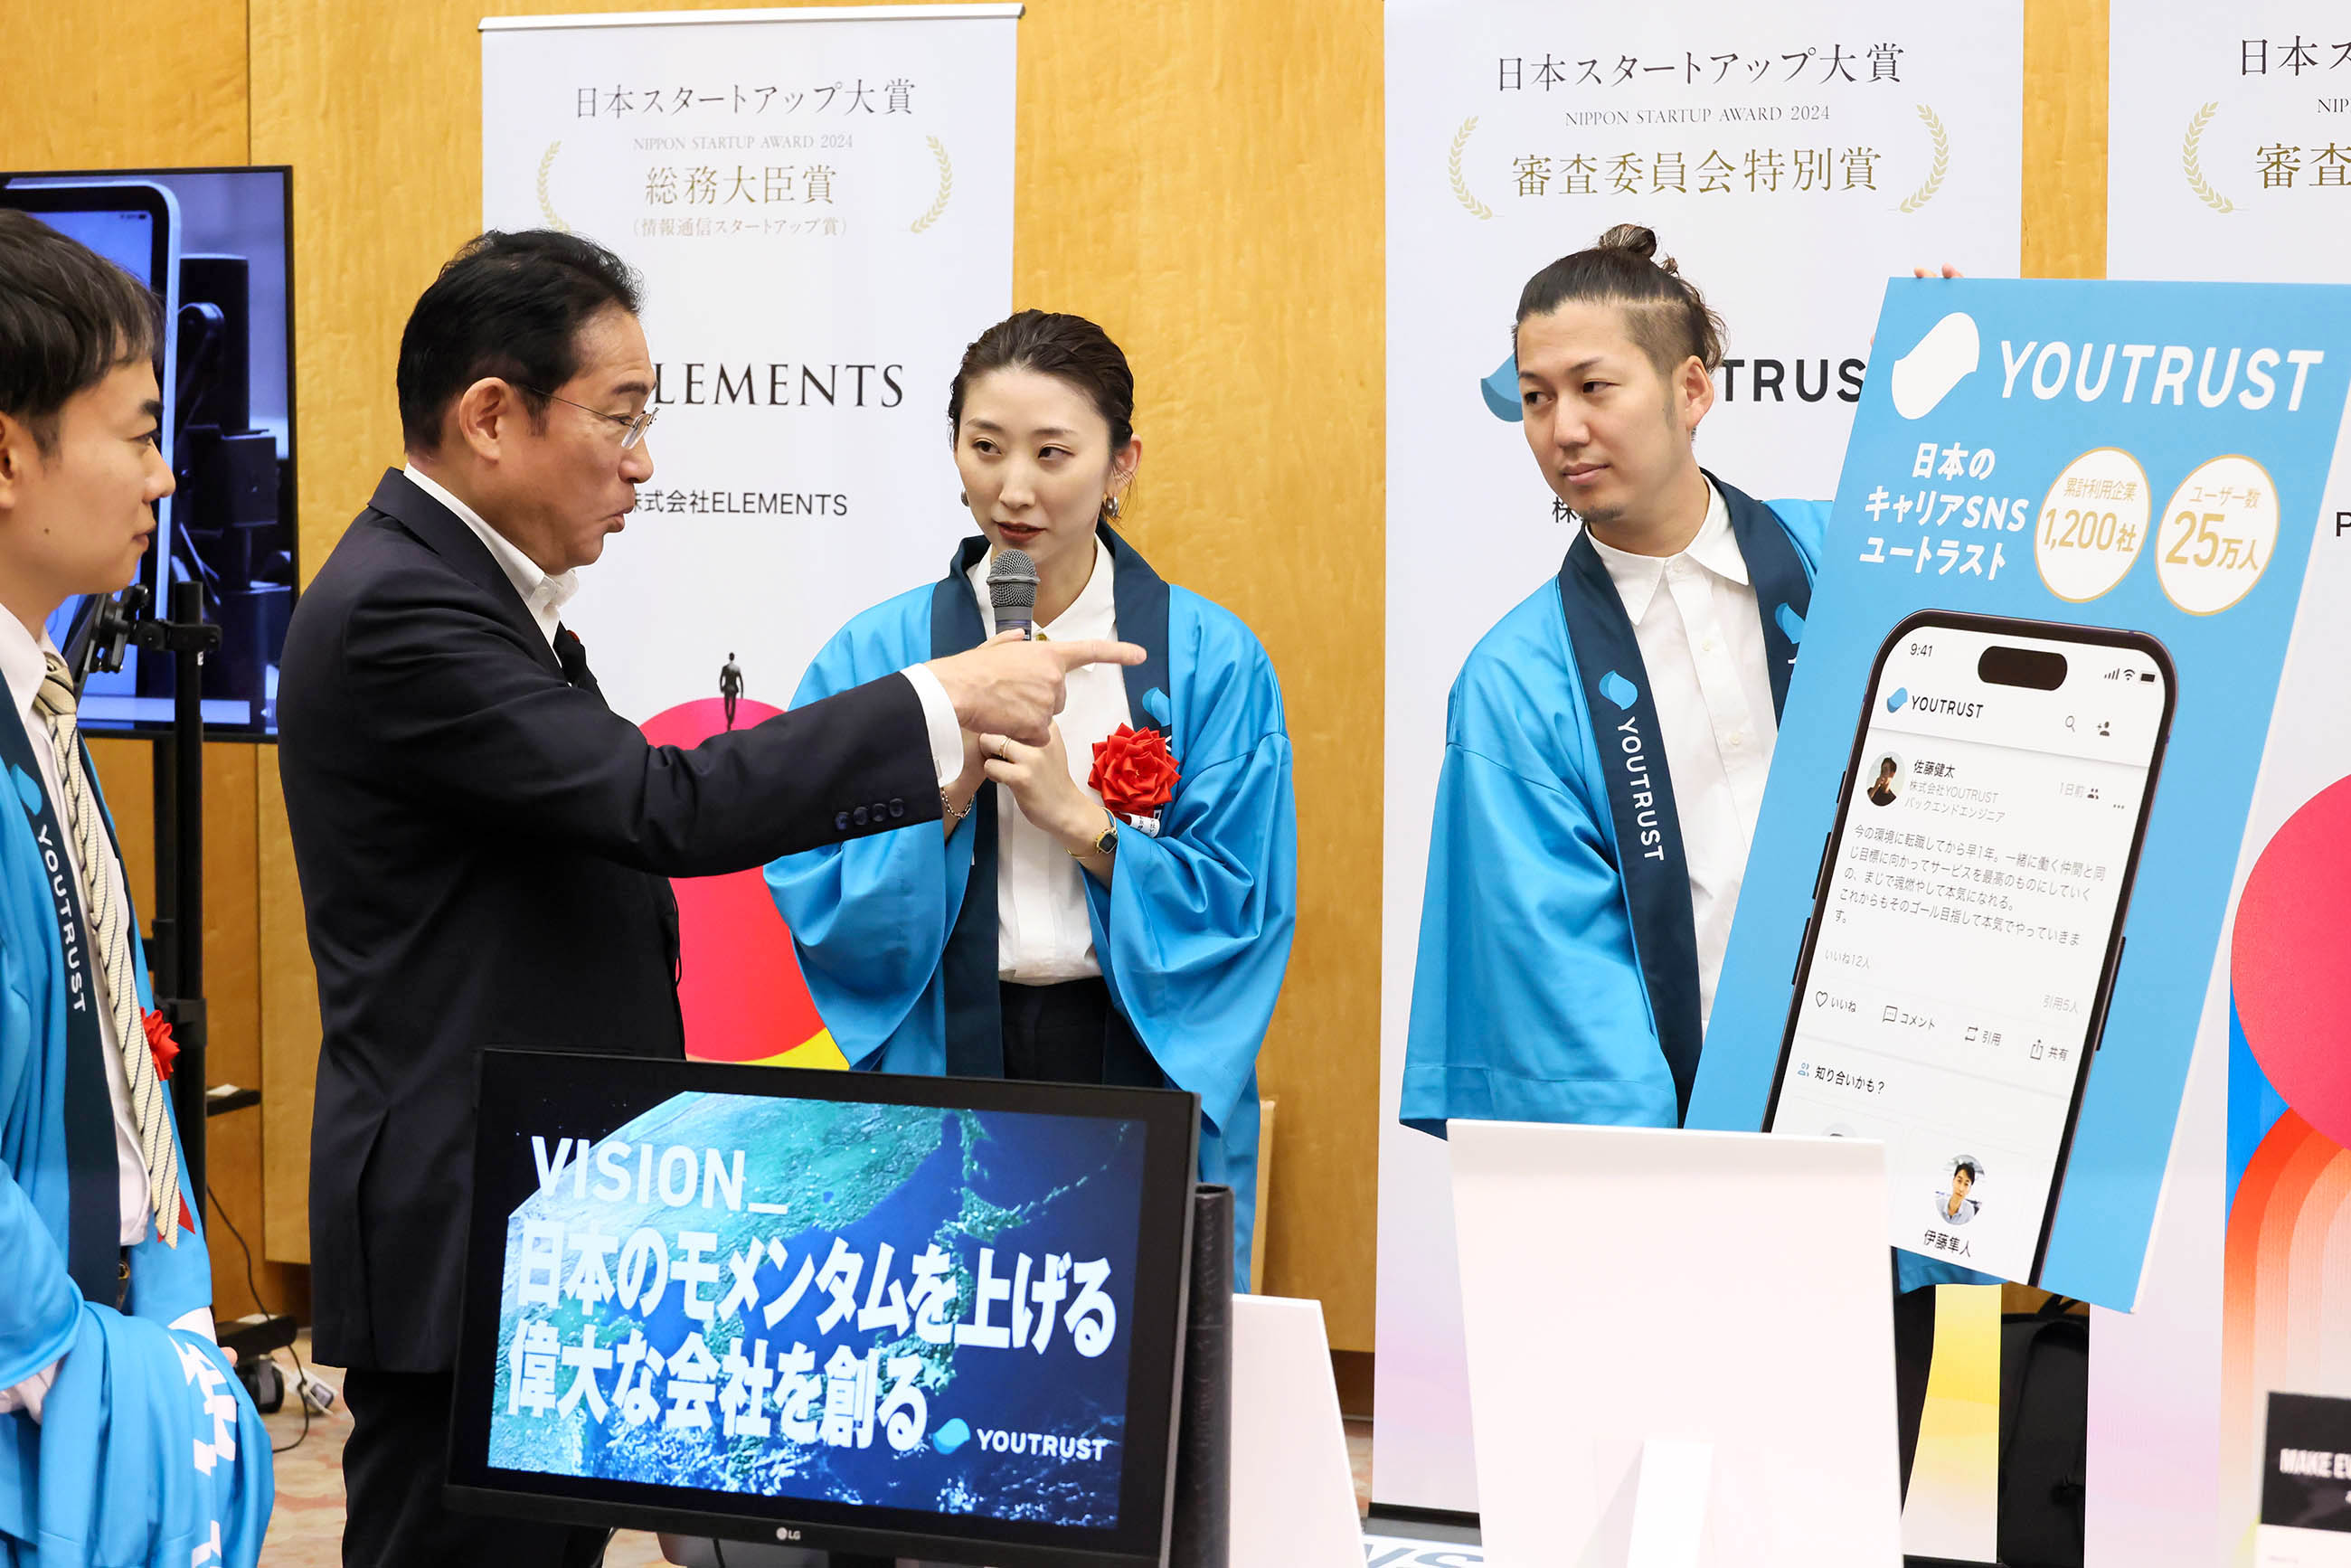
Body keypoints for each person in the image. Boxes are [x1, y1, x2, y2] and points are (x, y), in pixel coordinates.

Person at [277, 233, 1139, 1568]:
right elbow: (661, 805)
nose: (644, 461)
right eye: (620, 418)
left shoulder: (481, 594)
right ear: (492, 415)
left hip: (542, 1202)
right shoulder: (406, 607)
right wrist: (942, 700)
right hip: (467, 1216)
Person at [1397, 224, 1975, 1491]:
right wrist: (1685, 1203)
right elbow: (1562, 996)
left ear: (1694, 385)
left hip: (1869, 1138)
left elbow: (2020, 597)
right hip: (1684, 1182)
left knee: (1857, 1498)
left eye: (1596, 387)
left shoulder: (1848, 560)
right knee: (1687, 1511)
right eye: (1537, 399)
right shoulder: (1517, 679)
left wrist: (1973, 405)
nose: (1563, 429)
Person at [766, 310, 1296, 1279]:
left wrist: (1088, 828)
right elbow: (814, 881)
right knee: (943, 1358)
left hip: (1135, 1043)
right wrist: (947, 792)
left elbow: (1243, 903)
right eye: (985, 448)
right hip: (942, 1045)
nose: (1014, 489)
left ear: (1121, 462)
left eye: (1053, 453)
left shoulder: (1211, 659)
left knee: (1134, 1373)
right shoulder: (875, 655)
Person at [0, 210, 270, 1565]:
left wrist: (168, 1330)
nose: (168, 479)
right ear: (8, 453)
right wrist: (61, 1359)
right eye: (139, 430)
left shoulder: (39, 693)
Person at [1937, 1159, 1981, 1224]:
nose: (1961, 1188)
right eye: (1959, 1181)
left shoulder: (1969, 1211)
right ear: (1953, 1181)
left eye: (1966, 1184)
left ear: (1969, 1189)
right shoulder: (1938, 1203)